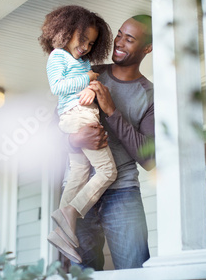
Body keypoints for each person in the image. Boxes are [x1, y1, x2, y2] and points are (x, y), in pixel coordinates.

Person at [58, 15, 156, 270]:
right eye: (120, 34)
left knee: (134, 272)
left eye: (130, 39)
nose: (120, 42)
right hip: (79, 188)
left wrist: (112, 112)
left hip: (122, 192)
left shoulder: (149, 95)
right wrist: (73, 140)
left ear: (147, 48)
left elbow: (149, 160)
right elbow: (51, 129)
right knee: (80, 274)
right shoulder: (89, 72)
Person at [39, 5, 117, 264]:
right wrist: (89, 79)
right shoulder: (58, 56)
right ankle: (70, 212)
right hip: (76, 116)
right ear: (66, 32)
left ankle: (62, 232)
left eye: (91, 43)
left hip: (83, 113)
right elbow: (58, 87)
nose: (85, 47)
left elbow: (87, 85)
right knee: (107, 172)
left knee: (80, 172)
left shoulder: (82, 61)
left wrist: (93, 86)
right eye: (82, 39)